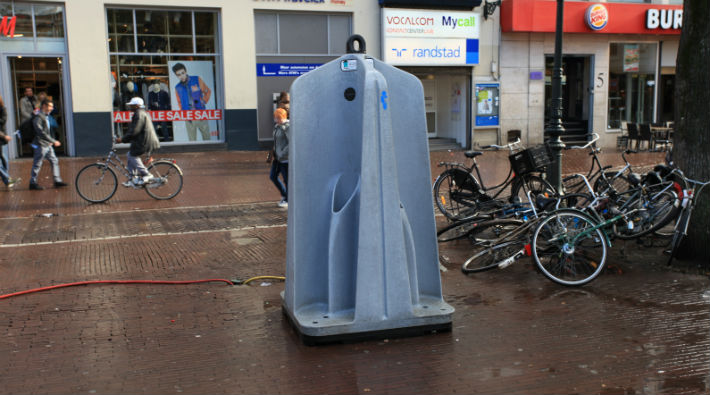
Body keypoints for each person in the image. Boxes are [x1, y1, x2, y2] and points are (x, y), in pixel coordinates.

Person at [116, 97, 160, 187]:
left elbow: (134, 131)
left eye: (131, 105)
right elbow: (133, 130)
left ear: (136, 106)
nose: (130, 107)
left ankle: (146, 174)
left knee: (132, 155)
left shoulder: (139, 114)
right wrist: (124, 137)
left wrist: (122, 139)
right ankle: (133, 179)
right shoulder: (139, 113)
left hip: (145, 142)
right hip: (143, 141)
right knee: (130, 154)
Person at [29, 99, 67, 190]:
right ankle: (32, 183)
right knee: (37, 163)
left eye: (52, 106)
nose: (52, 108)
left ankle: (57, 180)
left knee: (54, 160)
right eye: (50, 106)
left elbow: (48, 131)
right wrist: (53, 141)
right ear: (44, 106)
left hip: (48, 144)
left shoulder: (46, 116)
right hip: (41, 144)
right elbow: (40, 132)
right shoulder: (38, 117)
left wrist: (51, 141)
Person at [172, 62, 211, 141]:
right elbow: (179, 102)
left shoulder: (196, 79)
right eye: (179, 75)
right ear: (176, 76)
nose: (181, 76)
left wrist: (203, 102)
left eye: (182, 73)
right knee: (192, 140)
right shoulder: (177, 87)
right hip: (189, 117)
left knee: (207, 138)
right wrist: (184, 112)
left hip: (200, 114)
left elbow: (208, 91)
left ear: (186, 71)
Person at [270, 108, 290, 208]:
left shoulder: (287, 127)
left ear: (284, 117)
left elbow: (291, 143)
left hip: (285, 159)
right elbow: (276, 142)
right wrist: (273, 152)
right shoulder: (277, 127)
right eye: (276, 118)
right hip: (277, 158)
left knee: (287, 180)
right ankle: (284, 194)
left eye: (279, 118)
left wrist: (282, 153)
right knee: (272, 176)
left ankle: (287, 199)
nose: (277, 120)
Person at [0, 94, 20, 188]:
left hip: (1, 136)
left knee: (3, 157)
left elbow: (3, 120)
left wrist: (3, 136)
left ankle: (6, 178)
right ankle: (7, 178)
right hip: (2, 136)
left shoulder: (3, 109)